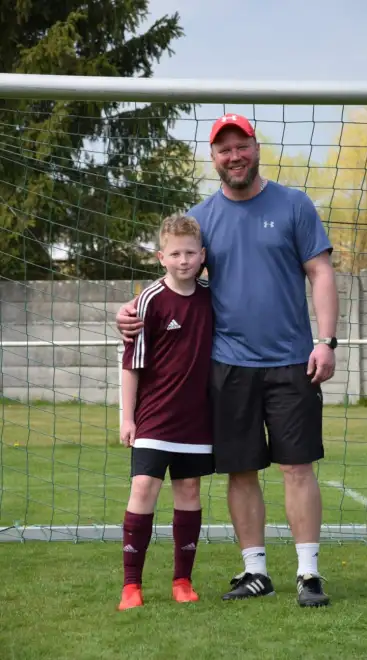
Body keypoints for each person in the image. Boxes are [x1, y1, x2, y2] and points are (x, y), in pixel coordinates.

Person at [116, 113, 339, 608]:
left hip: (292, 361)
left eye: (241, 146)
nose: (234, 156)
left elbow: (320, 272)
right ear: (214, 157)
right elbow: (177, 276)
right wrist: (132, 309)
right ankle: (255, 571)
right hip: (228, 365)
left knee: (297, 468)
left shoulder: (295, 205)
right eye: (224, 149)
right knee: (241, 471)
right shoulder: (202, 219)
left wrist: (326, 340)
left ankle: (308, 573)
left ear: (255, 148)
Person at [117, 213, 214, 611]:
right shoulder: (149, 301)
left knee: (189, 490)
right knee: (143, 487)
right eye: (175, 254)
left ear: (202, 255)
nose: (183, 260)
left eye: (190, 253)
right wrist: (127, 418)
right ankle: (131, 586)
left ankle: (182, 581)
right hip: (154, 417)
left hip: (197, 419)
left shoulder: (212, 297)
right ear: (161, 257)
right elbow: (131, 364)